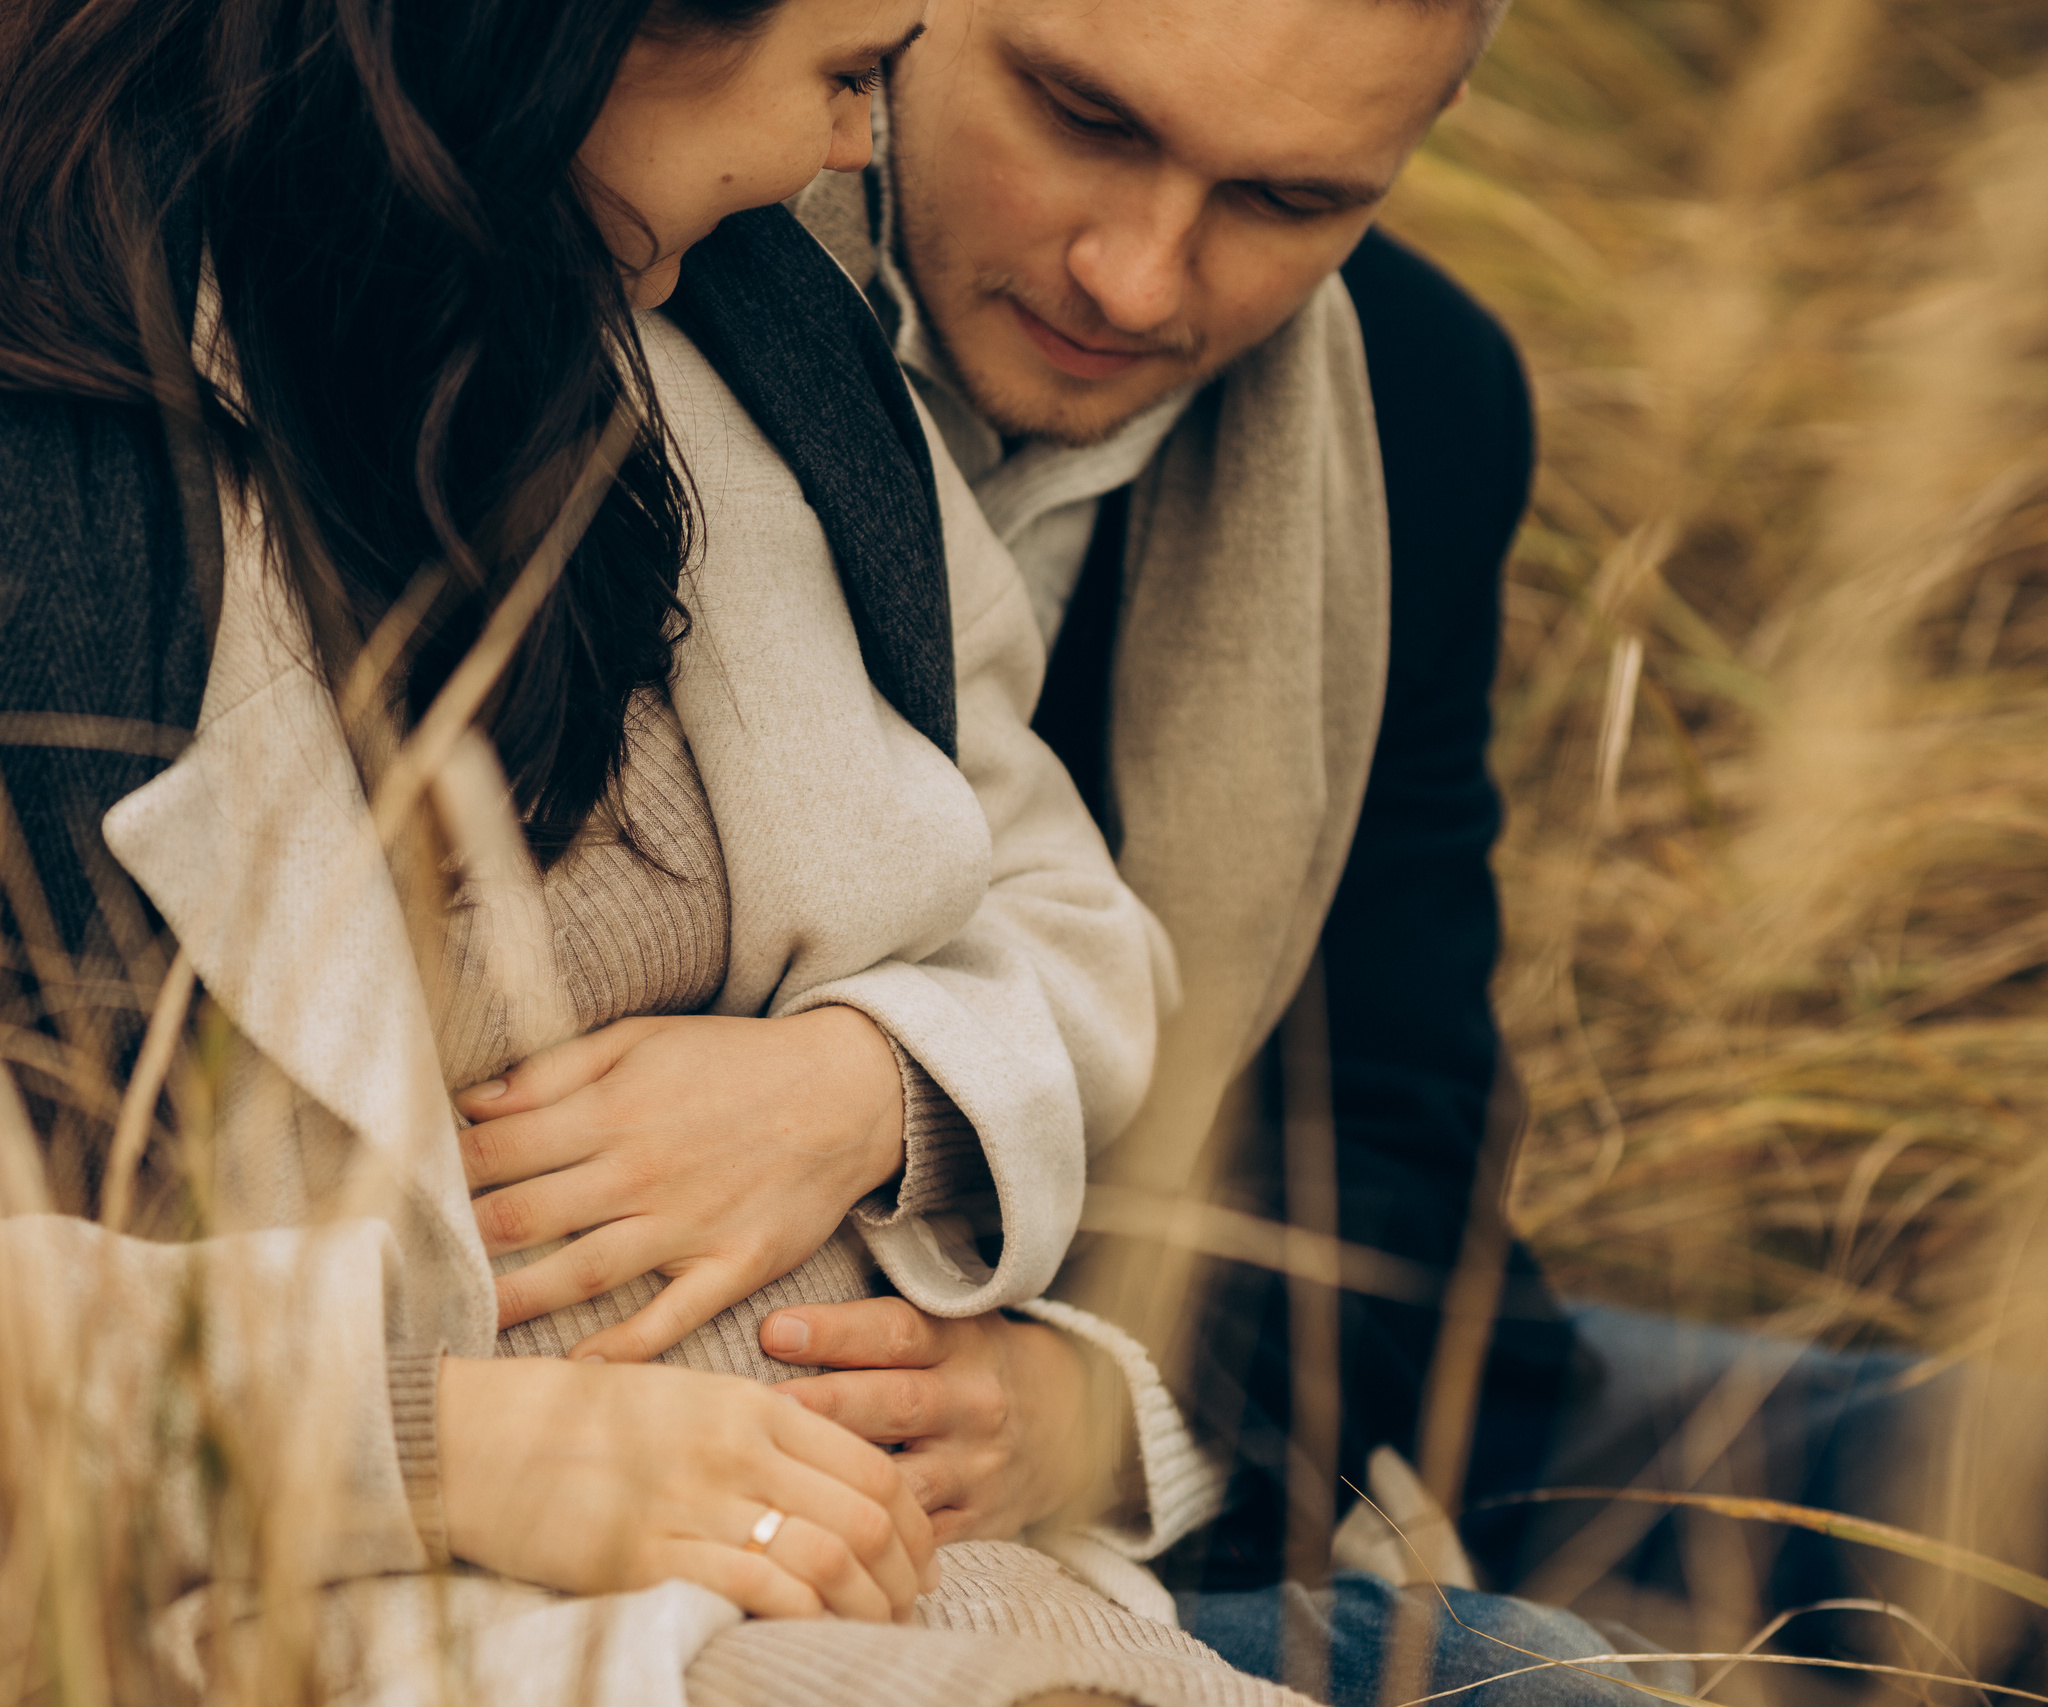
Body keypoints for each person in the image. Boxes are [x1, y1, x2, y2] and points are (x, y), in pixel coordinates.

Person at [0, 0, 1345, 1701]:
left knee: (1557, 1665)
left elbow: (1063, 910)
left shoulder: (747, 347)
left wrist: (882, 1084)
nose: (862, 150)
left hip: (998, 1581)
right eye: (849, 71)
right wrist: (430, 1444)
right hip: (391, 1641)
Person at [760, 0, 2038, 1697]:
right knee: (1545, 1680)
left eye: (1288, 202)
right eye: (1086, 115)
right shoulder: (644, 274)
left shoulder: (1410, 407)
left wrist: (1106, 1408)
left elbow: (1395, 1140)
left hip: (1271, 1398)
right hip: (799, 1477)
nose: (1139, 280)